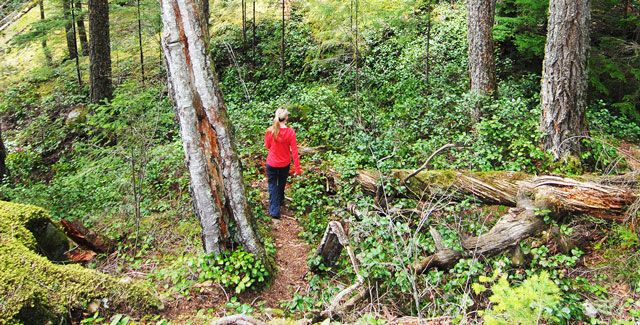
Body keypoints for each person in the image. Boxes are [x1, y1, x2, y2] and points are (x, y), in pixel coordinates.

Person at [265, 107, 302, 218]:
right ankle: (280, 201)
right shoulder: (290, 132)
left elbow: (267, 146)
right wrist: (297, 168)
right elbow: (294, 151)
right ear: (286, 118)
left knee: (272, 184)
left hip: (271, 163)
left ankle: (274, 210)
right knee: (281, 183)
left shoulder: (270, 131)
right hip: (284, 164)